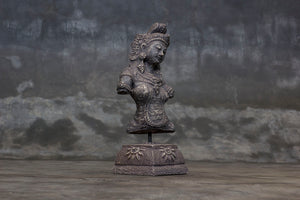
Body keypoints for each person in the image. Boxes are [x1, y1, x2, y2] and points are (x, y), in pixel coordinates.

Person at [117, 23, 175, 134]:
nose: (162, 54)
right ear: (144, 47)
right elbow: (123, 86)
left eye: (164, 51)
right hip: (138, 124)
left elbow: (168, 91)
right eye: (158, 49)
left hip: (165, 124)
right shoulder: (130, 73)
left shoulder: (159, 78)